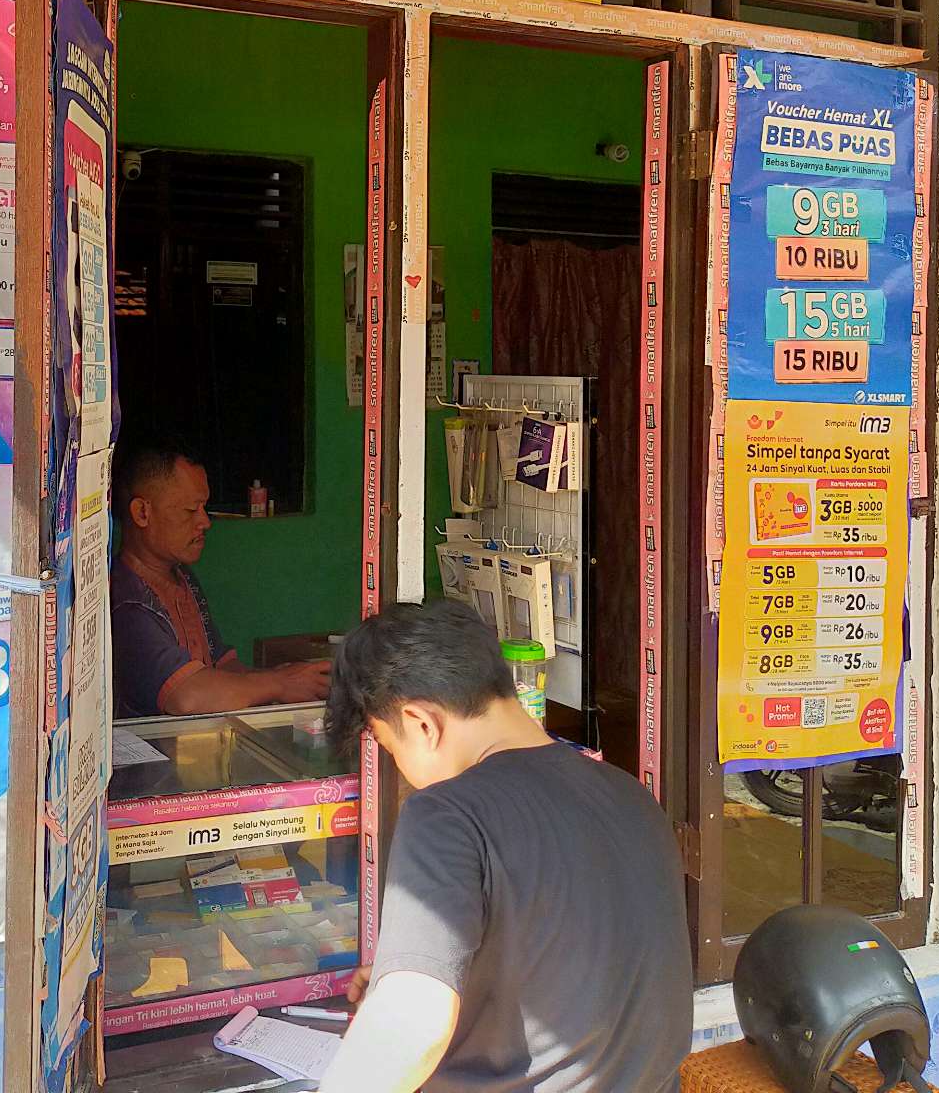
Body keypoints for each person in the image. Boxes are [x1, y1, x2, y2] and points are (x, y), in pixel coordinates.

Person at [319, 600, 690, 1093]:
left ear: (422, 724)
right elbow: (570, 963)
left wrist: (405, 995)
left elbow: (411, 1024)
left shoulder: (446, 815)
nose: (400, 769)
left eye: (391, 748)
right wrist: (415, 964)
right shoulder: (631, 795)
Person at [110, 436, 329, 719]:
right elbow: (186, 696)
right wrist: (278, 684)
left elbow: (222, 667)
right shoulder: (126, 601)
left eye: (204, 507)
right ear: (142, 513)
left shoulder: (182, 577)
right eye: (191, 510)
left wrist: (285, 680)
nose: (205, 522)